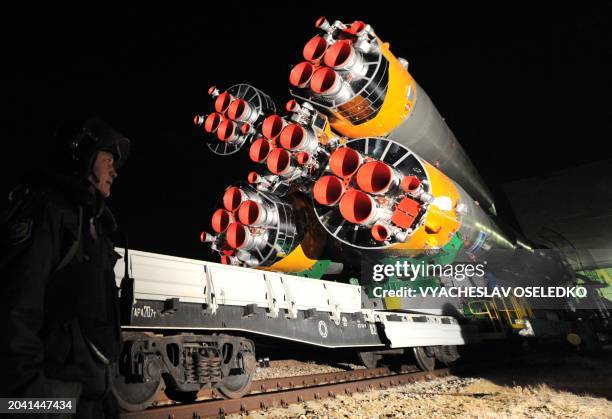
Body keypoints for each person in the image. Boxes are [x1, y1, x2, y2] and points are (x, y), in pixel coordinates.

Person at [0, 118, 130, 418]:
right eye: (108, 160)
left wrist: (103, 401)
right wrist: (42, 406)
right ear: (83, 156)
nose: (114, 171)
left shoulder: (94, 227)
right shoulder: (48, 213)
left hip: (90, 403)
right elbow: (15, 317)